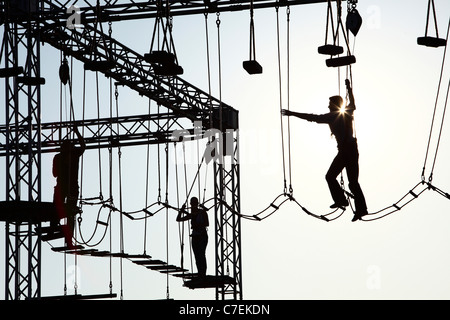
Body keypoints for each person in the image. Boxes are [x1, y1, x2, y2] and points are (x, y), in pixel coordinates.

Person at [282, 80, 368, 221]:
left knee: (330, 177)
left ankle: (342, 201)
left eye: (329, 104)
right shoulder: (346, 112)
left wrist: (292, 113)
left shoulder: (333, 116)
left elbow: (311, 117)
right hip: (352, 149)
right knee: (353, 182)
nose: (328, 106)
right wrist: (349, 89)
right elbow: (353, 103)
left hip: (346, 150)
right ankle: (361, 209)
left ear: (334, 105)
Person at [52, 124, 86, 247]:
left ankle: (54, 227)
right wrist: (77, 132)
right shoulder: (74, 154)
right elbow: (83, 146)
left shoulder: (59, 157)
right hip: (71, 188)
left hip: (63, 187)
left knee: (57, 208)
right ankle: (68, 239)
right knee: (69, 212)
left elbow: (54, 174)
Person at [177, 197, 209, 277]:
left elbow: (206, 223)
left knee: (201, 254)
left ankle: (202, 273)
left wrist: (195, 222)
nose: (192, 206)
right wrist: (181, 210)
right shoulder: (192, 215)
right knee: (197, 256)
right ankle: (200, 272)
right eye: (192, 204)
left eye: (194, 204)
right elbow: (178, 219)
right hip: (195, 236)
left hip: (202, 236)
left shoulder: (202, 212)